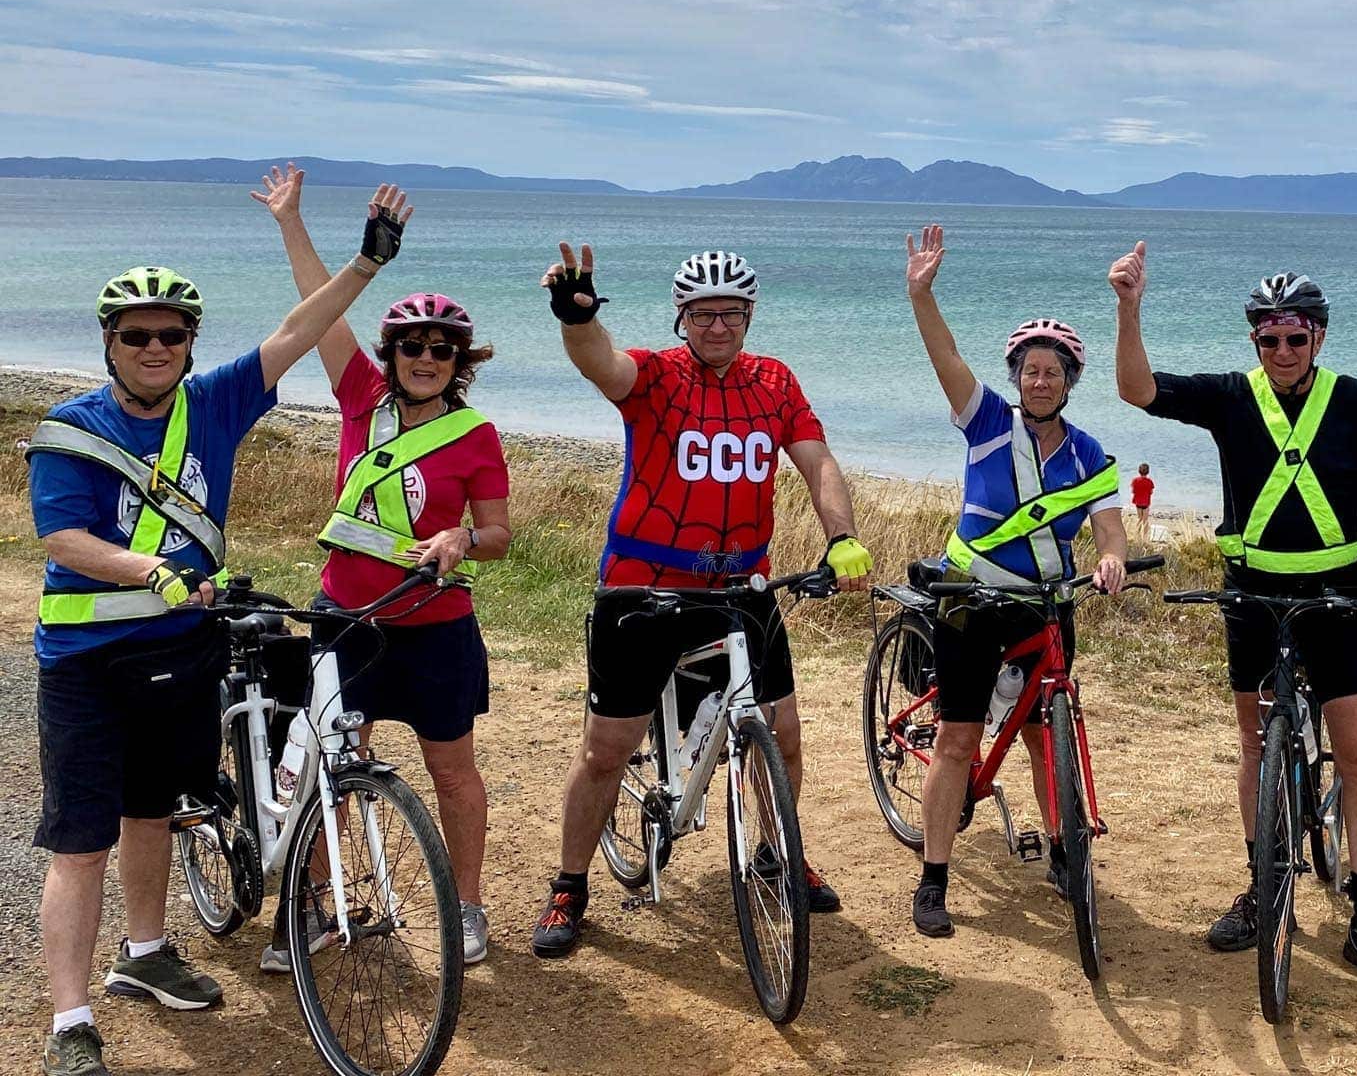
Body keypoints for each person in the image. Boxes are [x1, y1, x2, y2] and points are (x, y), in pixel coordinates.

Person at [29, 189, 410, 1076]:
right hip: (86, 663)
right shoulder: (72, 430)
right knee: (82, 842)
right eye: (136, 335)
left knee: (154, 810)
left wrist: (367, 262)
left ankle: (146, 954)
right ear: (109, 342)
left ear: (191, 341)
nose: (155, 348)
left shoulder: (216, 402)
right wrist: (149, 570)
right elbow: (63, 539)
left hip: (181, 652)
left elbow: (299, 330)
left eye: (171, 334)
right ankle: (70, 1022)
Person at [529, 242, 875, 957]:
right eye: (703, 314)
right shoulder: (655, 374)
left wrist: (842, 536)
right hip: (642, 587)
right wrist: (576, 317)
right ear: (681, 318)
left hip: (742, 589)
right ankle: (570, 884)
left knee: (782, 735)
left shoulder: (775, 381)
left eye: (732, 313)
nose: (718, 326)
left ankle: (775, 852)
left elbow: (818, 461)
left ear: (750, 315)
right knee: (606, 750)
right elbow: (601, 363)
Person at [1108, 240, 1357, 993]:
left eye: (1295, 338)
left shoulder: (1353, 401)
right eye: (1269, 338)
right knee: (1254, 744)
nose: (1282, 351)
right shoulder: (1231, 396)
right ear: (1255, 339)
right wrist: (1129, 308)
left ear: (1319, 337)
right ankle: (1261, 887)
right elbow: (1137, 390)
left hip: (1337, 601)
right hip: (1250, 599)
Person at [251, 164, 511, 968]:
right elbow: (318, 309)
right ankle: (319, 907)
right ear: (391, 354)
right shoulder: (359, 393)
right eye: (412, 346)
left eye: (441, 348)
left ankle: (467, 906)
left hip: (437, 627)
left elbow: (499, 533)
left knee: (452, 771)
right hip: (347, 621)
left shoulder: (477, 437)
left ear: (460, 360)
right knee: (333, 766)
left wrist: (462, 539)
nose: (425, 357)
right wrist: (292, 223)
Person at [902, 225, 1128, 937]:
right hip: (970, 600)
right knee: (957, 739)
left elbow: (1110, 527)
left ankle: (1064, 851)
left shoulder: (1089, 454)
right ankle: (934, 877)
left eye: (1053, 371)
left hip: (1044, 609)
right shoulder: (986, 422)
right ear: (1016, 376)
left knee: (1043, 736)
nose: (1040, 380)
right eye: (1030, 369)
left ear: (1070, 381)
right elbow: (946, 356)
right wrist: (921, 294)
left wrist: (1112, 559)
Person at [1130, 462, 1155, 543]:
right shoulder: (1149, 481)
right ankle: (1145, 537)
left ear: (1139, 471)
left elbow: (1133, 491)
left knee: (1139, 519)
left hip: (1138, 502)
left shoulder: (1135, 480)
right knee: (1145, 520)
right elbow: (1151, 492)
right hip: (1146, 502)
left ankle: (1137, 535)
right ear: (1148, 471)